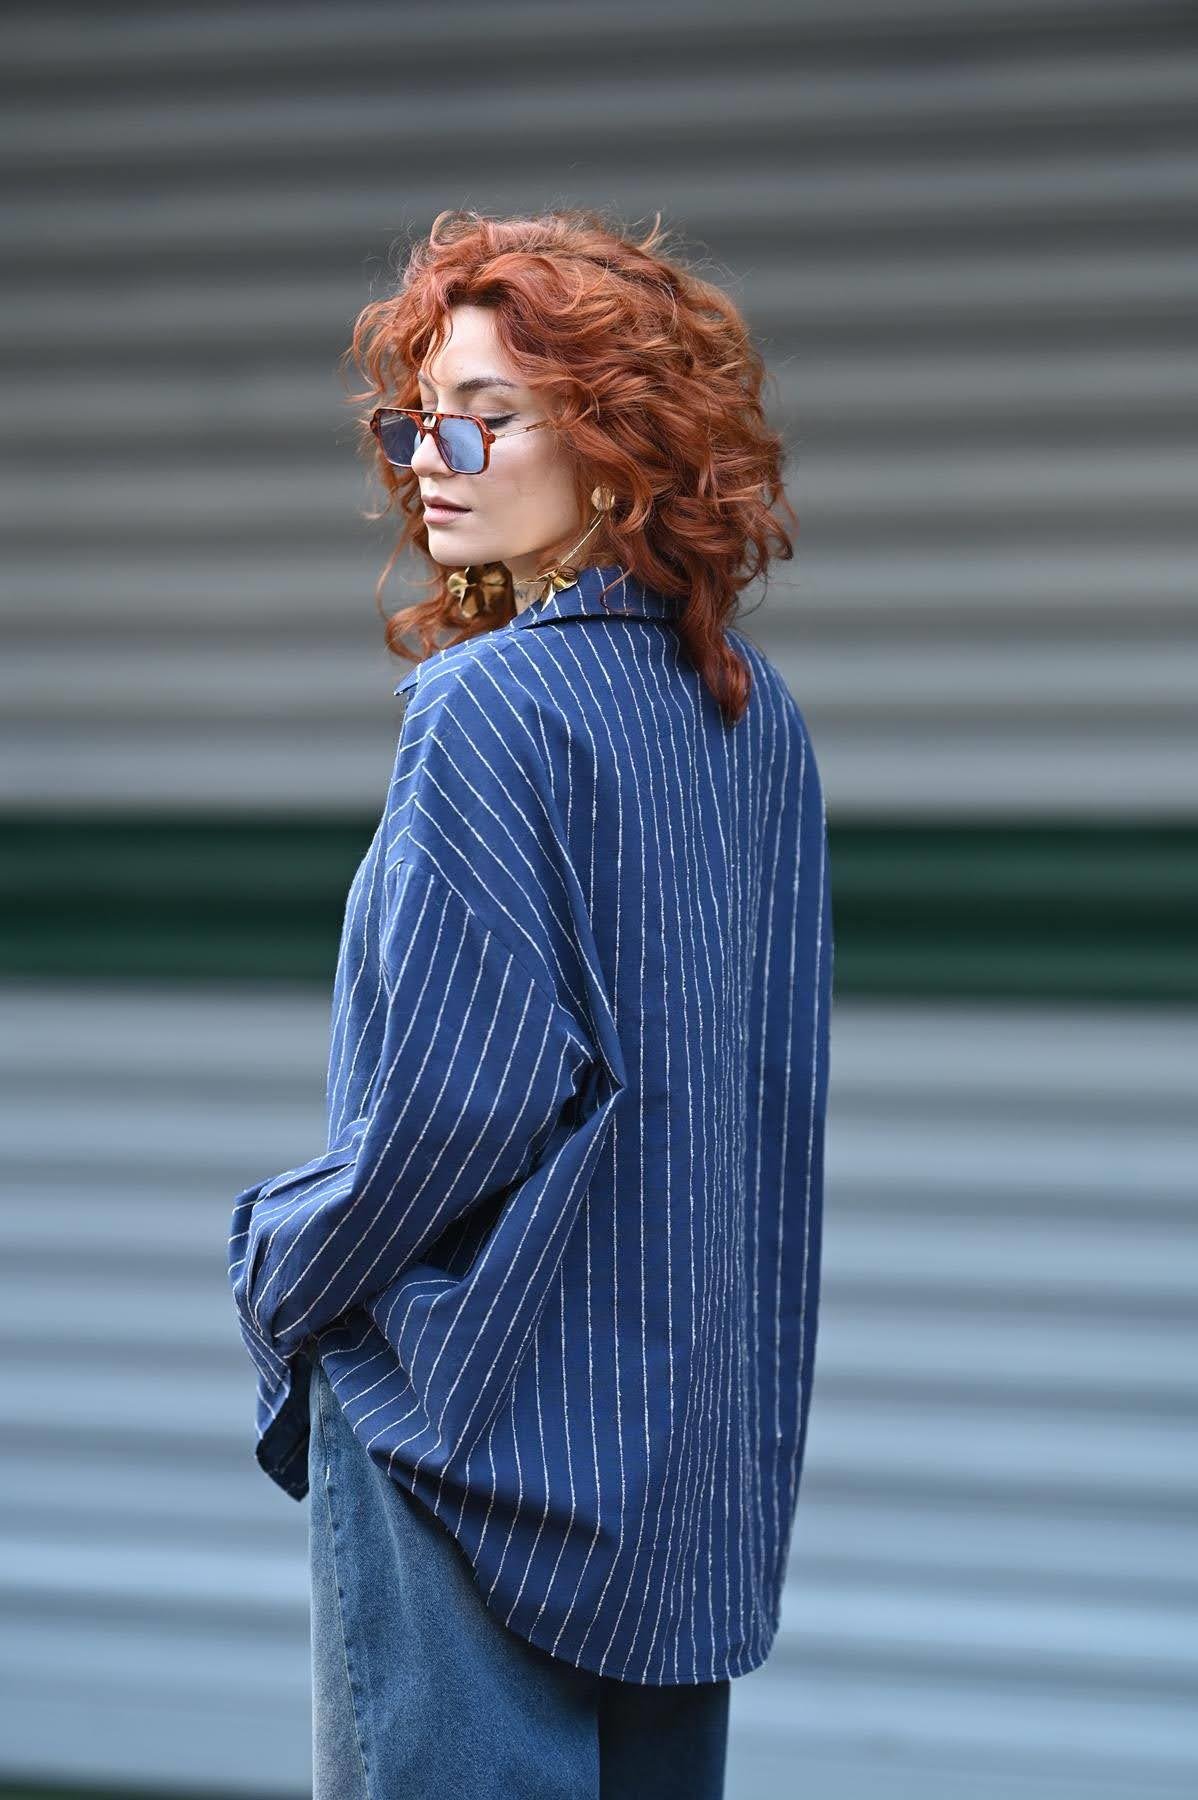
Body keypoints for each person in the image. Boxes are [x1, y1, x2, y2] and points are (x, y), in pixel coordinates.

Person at [228, 206, 833, 1799]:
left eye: (484, 416)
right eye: (414, 417)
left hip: (468, 1437)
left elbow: (453, 1107)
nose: (432, 454)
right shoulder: (751, 716)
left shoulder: (483, 713)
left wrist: (285, 1264)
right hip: (680, 1472)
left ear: (624, 448)